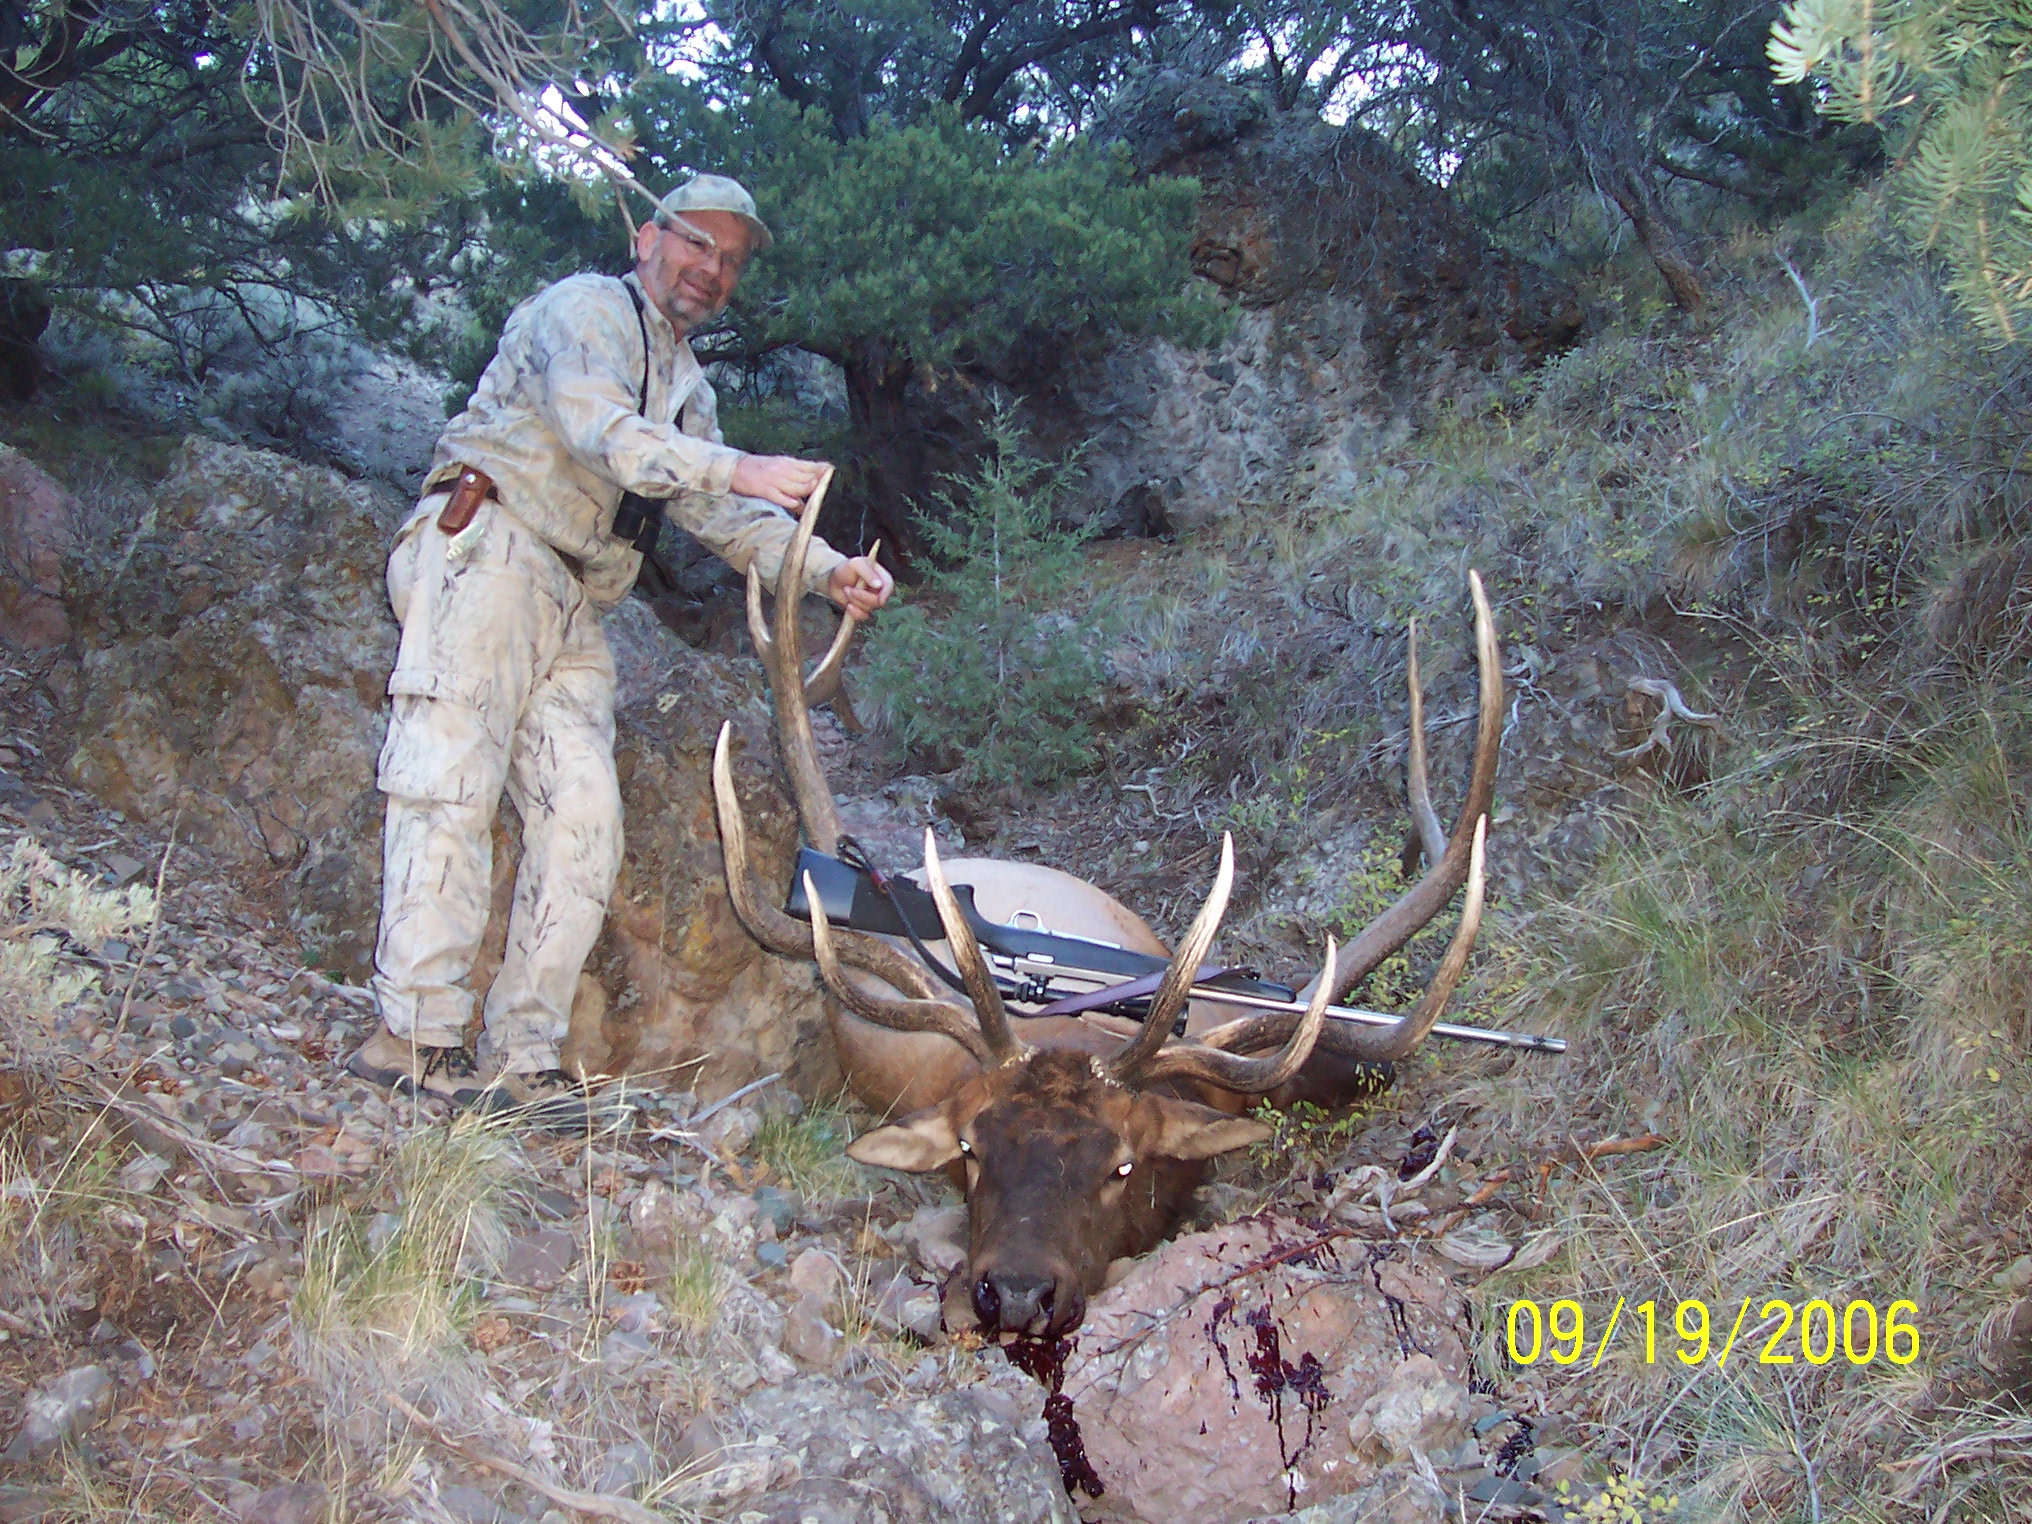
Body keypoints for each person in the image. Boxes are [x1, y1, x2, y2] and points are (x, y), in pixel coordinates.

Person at [347, 172, 892, 1125]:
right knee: (450, 784)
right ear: (649, 237)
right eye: (696, 244)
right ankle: (414, 1036)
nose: (711, 269)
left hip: (574, 596)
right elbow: (602, 432)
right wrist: (745, 466)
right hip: (489, 547)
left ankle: (524, 1053)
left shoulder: (688, 385)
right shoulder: (586, 306)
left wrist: (828, 570)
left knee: (585, 818)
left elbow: (717, 513)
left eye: (729, 260)